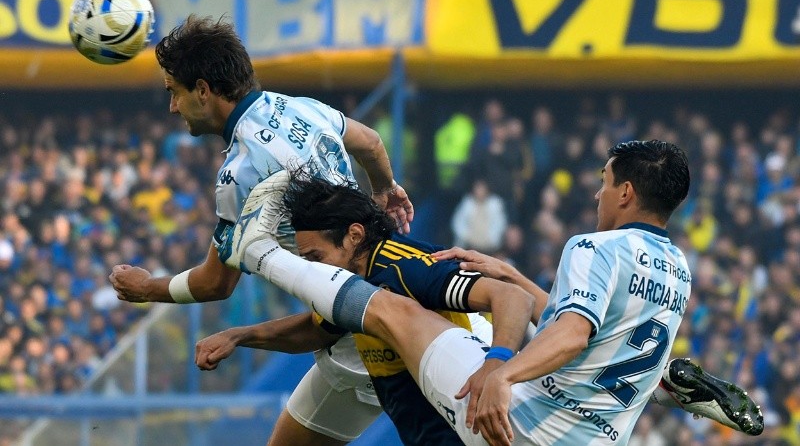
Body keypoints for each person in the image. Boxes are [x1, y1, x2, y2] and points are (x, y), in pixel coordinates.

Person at [217, 140, 762, 444]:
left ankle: (260, 251)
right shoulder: (679, 268)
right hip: (594, 437)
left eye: (603, 181)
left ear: (625, 191)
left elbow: (571, 333)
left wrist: (501, 368)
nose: (597, 192)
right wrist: (514, 275)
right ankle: (665, 383)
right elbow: (581, 334)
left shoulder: (595, 248)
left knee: (389, 309)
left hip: (520, 426)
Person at [108, 15, 414, 446]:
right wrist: (386, 188)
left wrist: (148, 288)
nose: (172, 107)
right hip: (389, 285)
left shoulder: (241, 172)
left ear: (203, 90)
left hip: (358, 338)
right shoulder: (299, 107)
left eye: (173, 93)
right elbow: (370, 143)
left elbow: (216, 283)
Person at [200, 170, 536, 445]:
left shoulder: (406, 267)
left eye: (316, 258)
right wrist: (239, 336)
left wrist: (496, 366)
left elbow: (513, 298)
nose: (313, 270)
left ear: (354, 235)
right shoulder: (344, 281)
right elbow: (318, 330)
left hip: (465, 425)